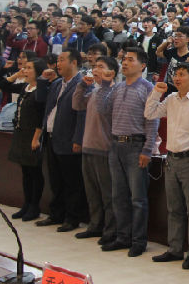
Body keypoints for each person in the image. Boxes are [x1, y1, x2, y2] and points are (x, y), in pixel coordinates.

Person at [145, 63, 189, 270]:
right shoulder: (171, 99)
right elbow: (150, 113)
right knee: (174, 209)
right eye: (175, 74)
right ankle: (175, 249)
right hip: (172, 159)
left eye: (182, 74)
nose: (177, 78)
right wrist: (155, 93)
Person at [97, 47, 159, 257]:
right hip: (116, 146)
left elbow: (152, 121)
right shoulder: (117, 87)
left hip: (136, 146)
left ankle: (138, 241)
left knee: (138, 199)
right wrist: (105, 85)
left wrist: (147, 149)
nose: (124, 63)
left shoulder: (148, 88)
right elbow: (103, 110)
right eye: (124, 59)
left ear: (143, 66)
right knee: (119, 196)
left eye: (130, 60)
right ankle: (122, 237)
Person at [34, 49, 87, 232]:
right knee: (55, 180)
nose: (58, 64)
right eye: (57, 60)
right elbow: (41, 99)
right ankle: (56, 214)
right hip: (52, 137)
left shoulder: (82, 83)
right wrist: (42, 80)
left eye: (62, 60)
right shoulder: (57, 83)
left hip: (69, 139)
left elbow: (82, 115)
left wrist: (78, 139)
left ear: (74, 62)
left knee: (71, 182)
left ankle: (72, 218)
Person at [72, 56, 119, 245]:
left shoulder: (114, 91)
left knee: (107, 193)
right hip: (88, 146)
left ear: (112, 72)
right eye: (95, 66)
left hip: (104, 148)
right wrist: (82, 86)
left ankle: (110, 229)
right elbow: (77, 104)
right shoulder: (94, 91)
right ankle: (95, 225)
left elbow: (104, 109)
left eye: (101, 66)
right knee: (92, 191)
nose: (96, 70)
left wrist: (105, 84)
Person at [0, 57, 47, 221]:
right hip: (21, 132)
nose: (25, 70)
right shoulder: (26, 87)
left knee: (34, 172)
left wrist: (36, 137)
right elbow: (3, 85)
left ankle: (34, 206)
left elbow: (41, 115)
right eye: (24, 68)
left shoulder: (41, 89)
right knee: (25, 171)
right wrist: (16, 75)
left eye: (29, 68)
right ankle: (26, 204)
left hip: (33, 134)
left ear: (38, 71)